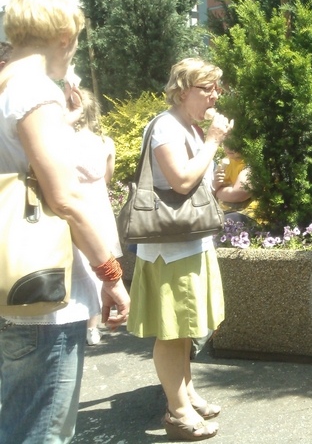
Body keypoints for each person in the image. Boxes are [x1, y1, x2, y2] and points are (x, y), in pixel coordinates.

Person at [0, 0, 130, 443]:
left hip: (10, 281)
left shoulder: (4, 86)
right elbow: (66, 198)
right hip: (43, 295)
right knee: (41, 430)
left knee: (16, 419)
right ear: (62, 37)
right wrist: (110, 274)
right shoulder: (36, 92)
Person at [126, 57, 232, 441]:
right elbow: (182, 181)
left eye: (217, 88)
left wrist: (211, 162)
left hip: (189, 242)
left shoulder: (187, 126)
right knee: (171, 332)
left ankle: (186, 393)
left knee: (185, 327)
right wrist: (213, 141)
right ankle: (177, 410)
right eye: (207, 89)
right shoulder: (166, 127)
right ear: (183, 90)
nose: (215, 96)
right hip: (169, 250)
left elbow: (194, 181)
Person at [64, 85, 121, 346]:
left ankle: (72, 320)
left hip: (75, 202)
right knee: (99, 262)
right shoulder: (106, 143)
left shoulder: (64, 140)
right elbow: (107, 177)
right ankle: (93, 326)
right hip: (98, 204)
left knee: (75, 263)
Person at [213, 142, 258, 226]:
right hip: (224, 209)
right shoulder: (225, 161)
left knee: (225, 223)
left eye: (234, 141)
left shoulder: (252, 162)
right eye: (226, 141)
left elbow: (237, 195)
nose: (228, 146)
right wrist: (216, 187)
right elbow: (214, 187)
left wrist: (217, 191)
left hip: (250, 212)